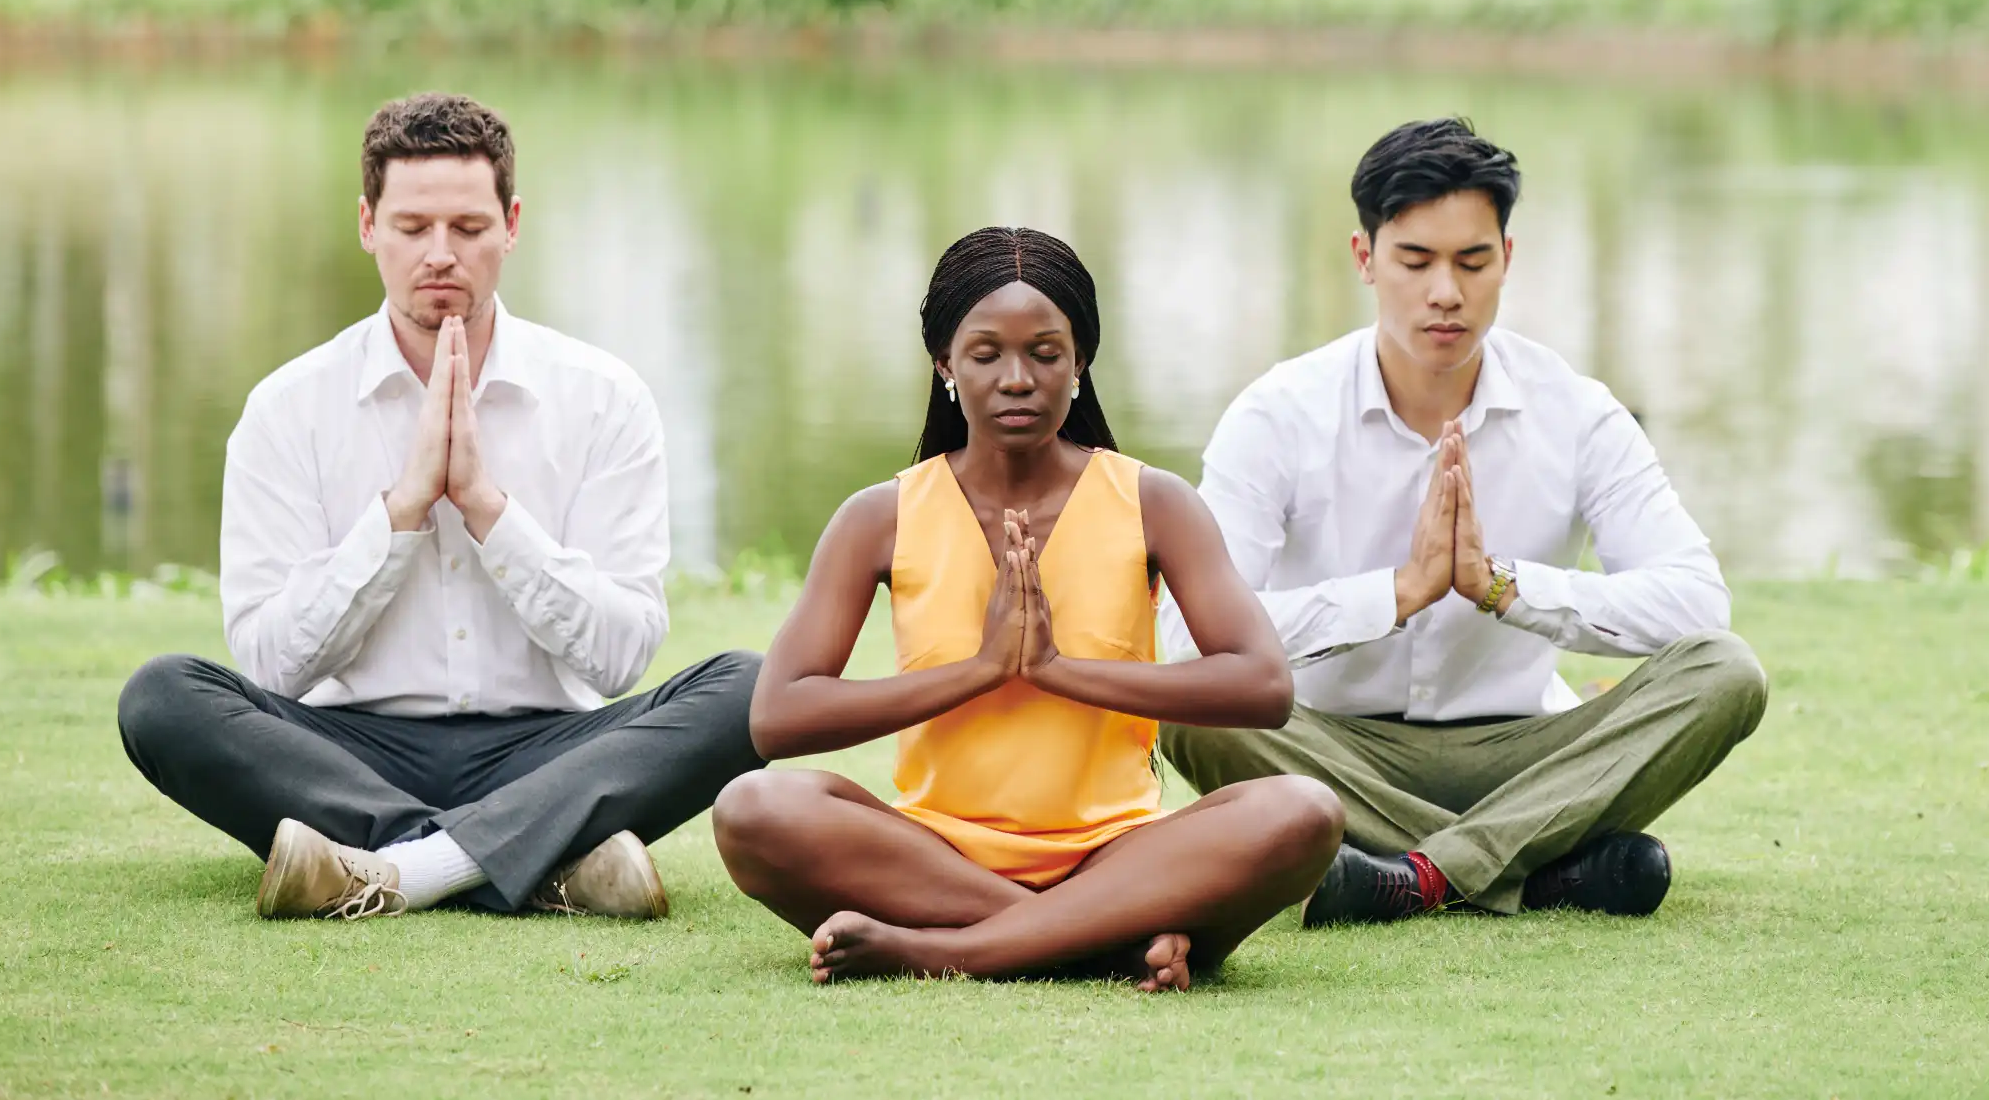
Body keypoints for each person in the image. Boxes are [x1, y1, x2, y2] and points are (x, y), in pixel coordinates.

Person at [116, 92, 762, 921]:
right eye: (412, 227)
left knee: (752, 687)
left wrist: (490, 511)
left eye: (468, 227)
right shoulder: (288, 407)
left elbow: (619, 656)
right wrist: (401, 511)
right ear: (367, 224)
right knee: (162, 698)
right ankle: (544, 862)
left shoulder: (604, 399)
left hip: (548, 747)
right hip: (349, 750)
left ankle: (398, 869)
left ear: (512, 223)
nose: (440, 254)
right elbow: (272, 663)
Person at [1158, 117, 1767, 925]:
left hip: (1525, 753)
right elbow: (1184, 637)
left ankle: (1410, 875)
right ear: (1365, 258)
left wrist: (1504, 586)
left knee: (1727, 672)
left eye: (1472, 261)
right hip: (1331, 744)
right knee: (1186, 706)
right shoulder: (1279, 413)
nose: (1445, 291)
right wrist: (1395, 594)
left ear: (1506, 261)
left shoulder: (1577, 412)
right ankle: (1546, 870)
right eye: (1416, 260)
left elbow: (1698, 605)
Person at [712, 226, 1342, 990]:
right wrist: (980, 670)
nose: (1018, 378)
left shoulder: (1153, 502)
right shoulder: (879, 517)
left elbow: (1263, 685)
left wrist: (1057, 669)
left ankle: (955, 950)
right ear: (945, 362)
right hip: (934, 854)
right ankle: (1100, 939)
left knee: (1303, 811)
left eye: (1045, 352)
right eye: (986, 354)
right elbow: (777, 716)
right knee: (753, 808)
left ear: (1080, 362)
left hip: (1122, 854)